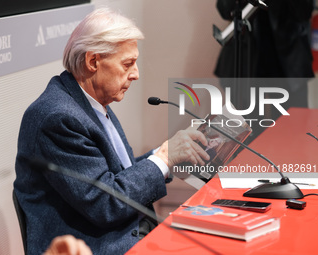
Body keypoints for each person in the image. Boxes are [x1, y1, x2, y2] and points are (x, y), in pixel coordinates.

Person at [14, 8, 210, 255]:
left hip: (128, 232)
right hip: (98, 246)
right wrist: (162, 160)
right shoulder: (58, 118)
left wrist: (167, 157)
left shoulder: (89, 101)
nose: (136, 74)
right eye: (127, 64)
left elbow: (114, 175)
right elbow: (105, 203)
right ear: (93, 61)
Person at [214, 0, 315, 139]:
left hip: (288, 63)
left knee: (295, 132)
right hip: (246, 62)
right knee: (249, 134)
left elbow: (304, 11)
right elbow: (224, 9)